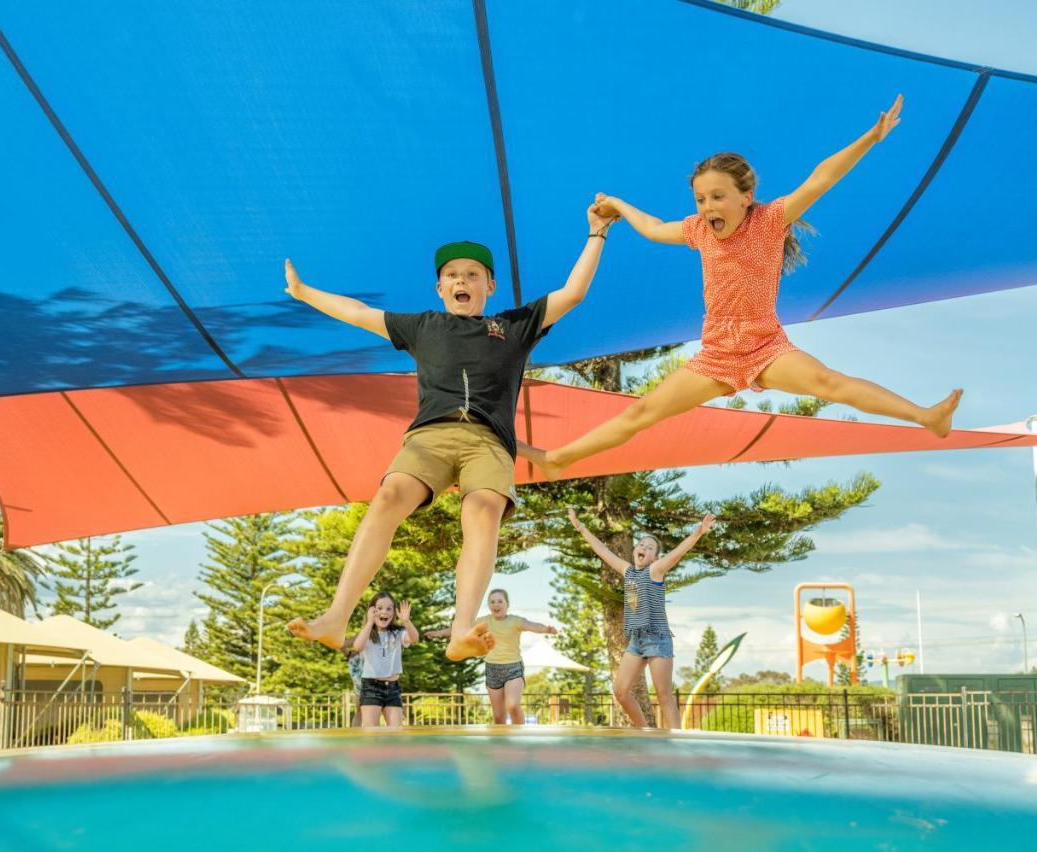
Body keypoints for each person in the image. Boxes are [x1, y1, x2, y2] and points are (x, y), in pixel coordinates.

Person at [521, 96, 961, 480]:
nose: (707, 206)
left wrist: (872, 137)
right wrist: (616, 204)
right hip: (716, 355)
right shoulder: (699, 231)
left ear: (746, 195)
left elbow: (820, 178)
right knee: (641, 413)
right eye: (700, 199)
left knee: (829, 381)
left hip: (766, 347)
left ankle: (925, 416)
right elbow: (654, 229)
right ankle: (559, 459)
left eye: (717, 196)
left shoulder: (770, 221)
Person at [288, 198, 617, 660]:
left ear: (490, 285)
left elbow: (573, 292)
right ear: (440, 287)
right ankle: (337, 616)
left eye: (472, 274)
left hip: (488, 442)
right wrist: (304, 292)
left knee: (483, 512)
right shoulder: (423, 326)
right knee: (387, 496)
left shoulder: (514, 327)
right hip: (429, 436)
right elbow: (357, 312)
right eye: (453, 275)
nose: (462, 280)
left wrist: (597, 233)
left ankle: (464, 628)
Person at [567, 508, 715, 729]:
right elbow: (603, 551)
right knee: (620, 690)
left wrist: (698, 532)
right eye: (641, 544)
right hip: (637, 641)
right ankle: (644, 730)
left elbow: (677, 553)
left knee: (664, 695)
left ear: (655, 557)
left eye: (650, 547)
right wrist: (581, 527)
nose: (643, 548)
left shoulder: (655, 570)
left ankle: (678, 742)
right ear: (635, 550)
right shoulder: (628, 572)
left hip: (657, 638)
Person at [426, 588, 558, 724]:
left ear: (507, 604)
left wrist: (546, 629)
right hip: (492, 669)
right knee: (499, 717)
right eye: (492, 602)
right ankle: (502, 744)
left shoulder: (515, 621)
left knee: (512, 706)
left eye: (500, 601)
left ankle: (519, 736)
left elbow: (532, 626)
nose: (496, 605)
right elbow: (461, 631)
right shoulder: (483, 622)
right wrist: (438, 633)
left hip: (513, 669)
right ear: (489, 605)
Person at [353, 592, 419, 728]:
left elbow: (414, 639)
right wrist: (370, 622)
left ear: (394, 613)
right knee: (371, 734)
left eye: (389, 608)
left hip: (393, 688)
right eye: (380, 608)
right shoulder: (368, 634)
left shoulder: (398, 633)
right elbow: (357, 646)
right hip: (371, 687)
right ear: (372, 611)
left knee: (396, 732)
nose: (385, 612)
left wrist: (407, 622)